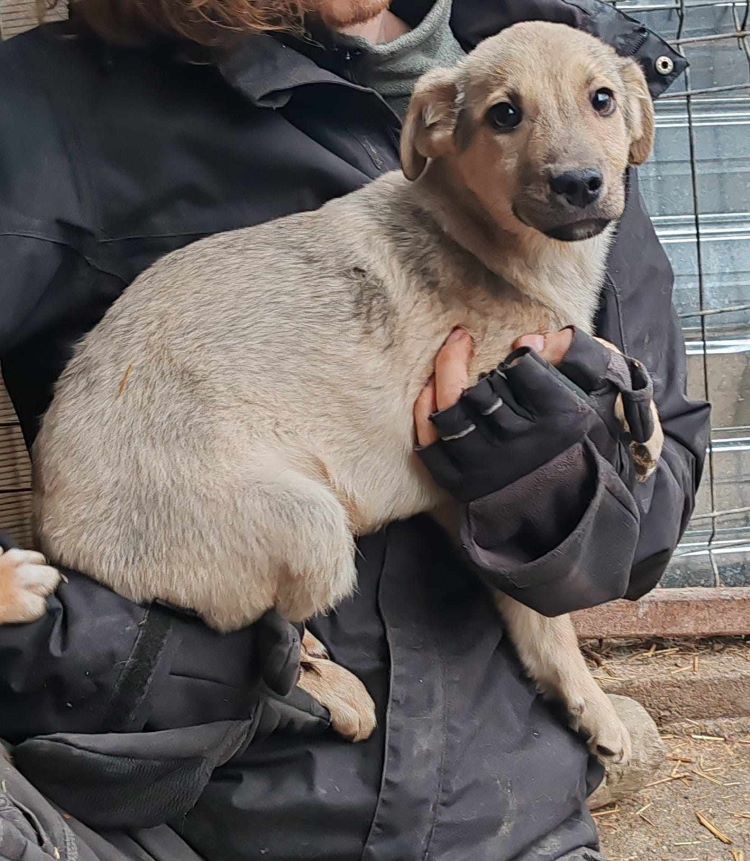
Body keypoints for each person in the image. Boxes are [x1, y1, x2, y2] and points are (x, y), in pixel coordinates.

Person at [0, 1, 710, 859]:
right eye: (508, 118)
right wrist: (106, 646)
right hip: (194, 804)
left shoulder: (573, 130)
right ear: (436, 135)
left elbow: (650, 517)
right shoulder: (58, 102)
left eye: (601, 105)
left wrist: (543, 480)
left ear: (634, 121)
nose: (570, 156)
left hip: (507, 816)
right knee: (311, 542)